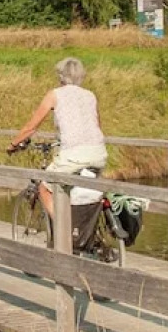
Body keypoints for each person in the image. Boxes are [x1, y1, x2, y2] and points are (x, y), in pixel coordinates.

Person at [8, 57, 107, 219]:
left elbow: (31, 127)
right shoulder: (90, 95)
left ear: (60, 76)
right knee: (84, 191)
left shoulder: (55, 95)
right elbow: (97, 126)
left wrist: (12, 145)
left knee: (44, 188)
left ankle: (64, 230)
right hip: (99, 153)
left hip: (74, 155)